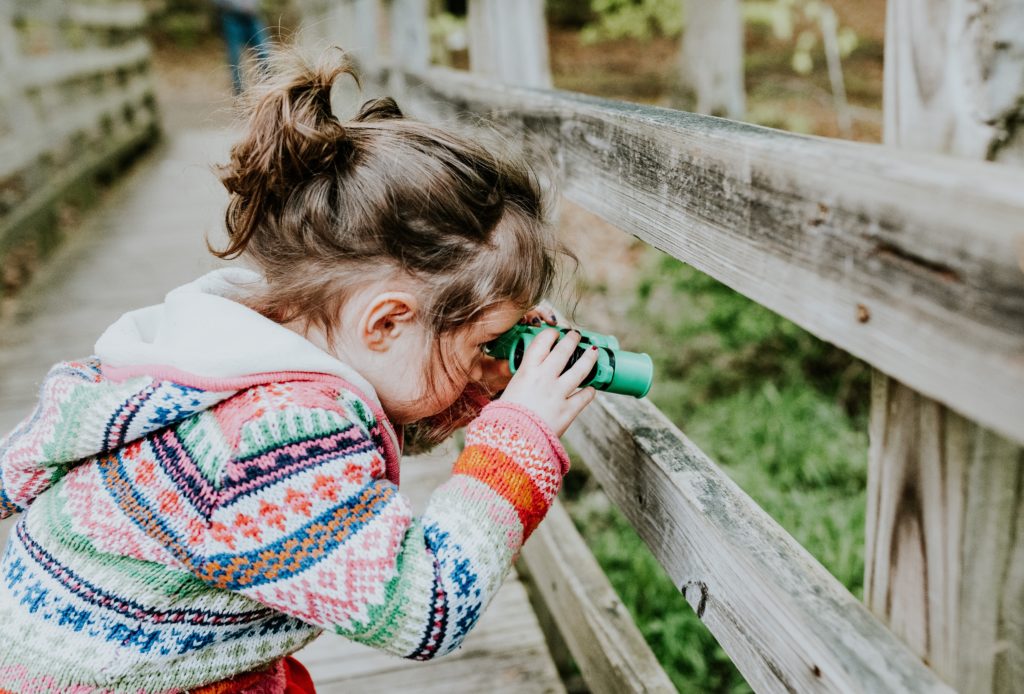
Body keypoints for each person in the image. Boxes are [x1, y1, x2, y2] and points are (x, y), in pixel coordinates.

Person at [0, 48, 598, 693]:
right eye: (488, 338)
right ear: (387, 323)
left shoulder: (223, 351)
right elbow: (426, 610)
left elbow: (370, 424)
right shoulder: (281, 436)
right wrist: (519, 438)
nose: (495, 353)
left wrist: (473, 382)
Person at [214, 0, 272, 95]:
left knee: (264, 52)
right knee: (235, 57)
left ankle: (269, 86)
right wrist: (235, 6)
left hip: (253, 17)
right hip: (232, 18)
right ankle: (239, 92)